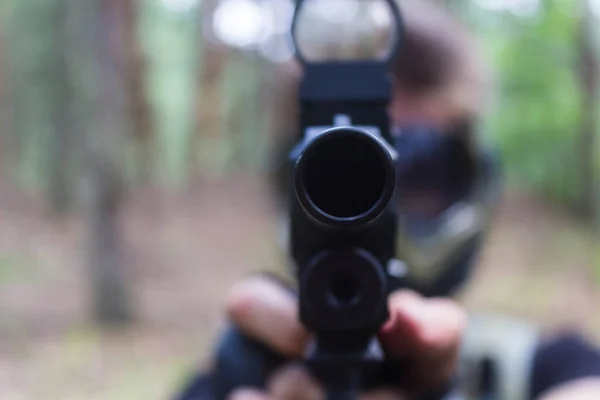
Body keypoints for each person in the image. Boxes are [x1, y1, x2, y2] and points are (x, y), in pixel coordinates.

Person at [174, 1, 600, 399]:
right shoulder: (237, 375)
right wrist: (233, 375)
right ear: (291, 185)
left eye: (422, 166)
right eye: (338, 176)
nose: (379, 207)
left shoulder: (551, 370)